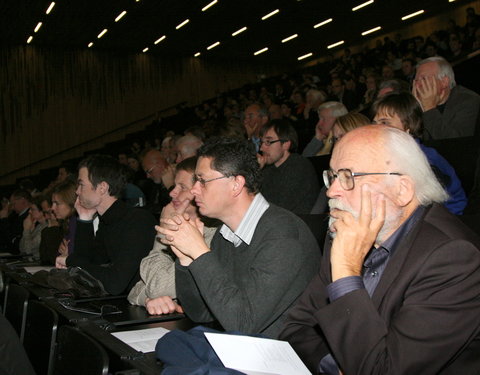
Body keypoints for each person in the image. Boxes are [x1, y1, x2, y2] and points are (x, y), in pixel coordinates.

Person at [280, 125, 480, 374]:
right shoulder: (344, 235)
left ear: (402, 190)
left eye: (347, 177)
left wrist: (345, 271)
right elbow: (296, 327)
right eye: (332, 176)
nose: (332, 191)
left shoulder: (454, 258)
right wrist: (333, 365)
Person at [157, 138, 320, 338]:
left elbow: (243, 323)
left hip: (288, 357)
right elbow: (201, 313)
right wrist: (185, 259)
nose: (194, 190)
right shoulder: (225, 235)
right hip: (247, 351)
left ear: (236, 184)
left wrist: (200, 253)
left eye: (202, 180)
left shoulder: (282, 235)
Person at [55, 154, 157, 296]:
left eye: (81, 185)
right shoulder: (107, 221)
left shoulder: (138, 221)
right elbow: (88, 267)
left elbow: (115, 283)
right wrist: (85, 219)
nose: (77, 191)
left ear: (102, 188)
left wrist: (71, 261)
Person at [128, 157, 217, 315]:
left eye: (182, 187)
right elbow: (136, 288)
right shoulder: (182, 227)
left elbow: (159, 287)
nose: (172, 192)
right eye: (175, 185)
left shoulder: (213, 235)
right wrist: (148, 300)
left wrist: (164, 228)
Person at [373, 91, 467, 215]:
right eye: (374, 123)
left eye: (385, 123)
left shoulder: (427, 160)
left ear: (409, 126)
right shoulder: (384, 155)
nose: (375, 129)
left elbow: (428, 209)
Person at [259, 119, 320, 214]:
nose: (261, 148)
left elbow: (276, 208)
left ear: (286, 145)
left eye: (268, 142)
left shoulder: (300, 167)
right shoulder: (269, 168)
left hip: (295, 224)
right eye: (261, 142)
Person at [412, 56, 480, 139]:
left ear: (444, 82)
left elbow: (455, 143)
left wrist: (429, 109)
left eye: (423, 79)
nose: (417, 85)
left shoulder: (468, 100)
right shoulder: (418, 104)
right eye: (416, 80)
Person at [142, 149, 174, 217]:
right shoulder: (153, 185)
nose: (148, 176)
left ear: (160, 165)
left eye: (149, 171)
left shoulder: (178, 179)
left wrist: (170, 187)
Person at [19, 195, 49, 259]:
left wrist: (26, 230)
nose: (29, 211)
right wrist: (29, 230)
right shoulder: (38, 225)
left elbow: (28, 252)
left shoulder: (46, 228)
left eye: (32, 209)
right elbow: (21, 249)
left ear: (41, 211)